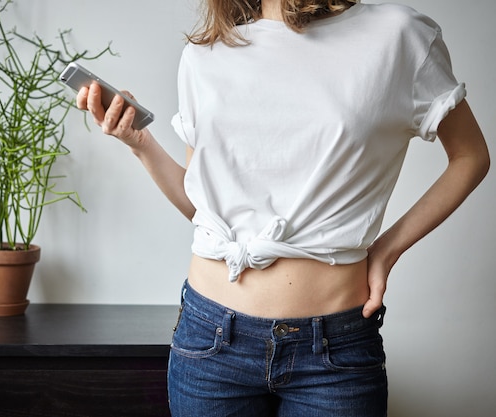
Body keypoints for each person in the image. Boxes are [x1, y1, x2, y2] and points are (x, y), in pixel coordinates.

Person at [76, 0, 490, 415]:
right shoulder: (206, 53)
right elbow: (204, 209)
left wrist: (386, 250)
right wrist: (140, 144)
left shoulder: (398, 36)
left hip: (334, 352)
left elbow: (471, 156)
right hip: (210, 341)